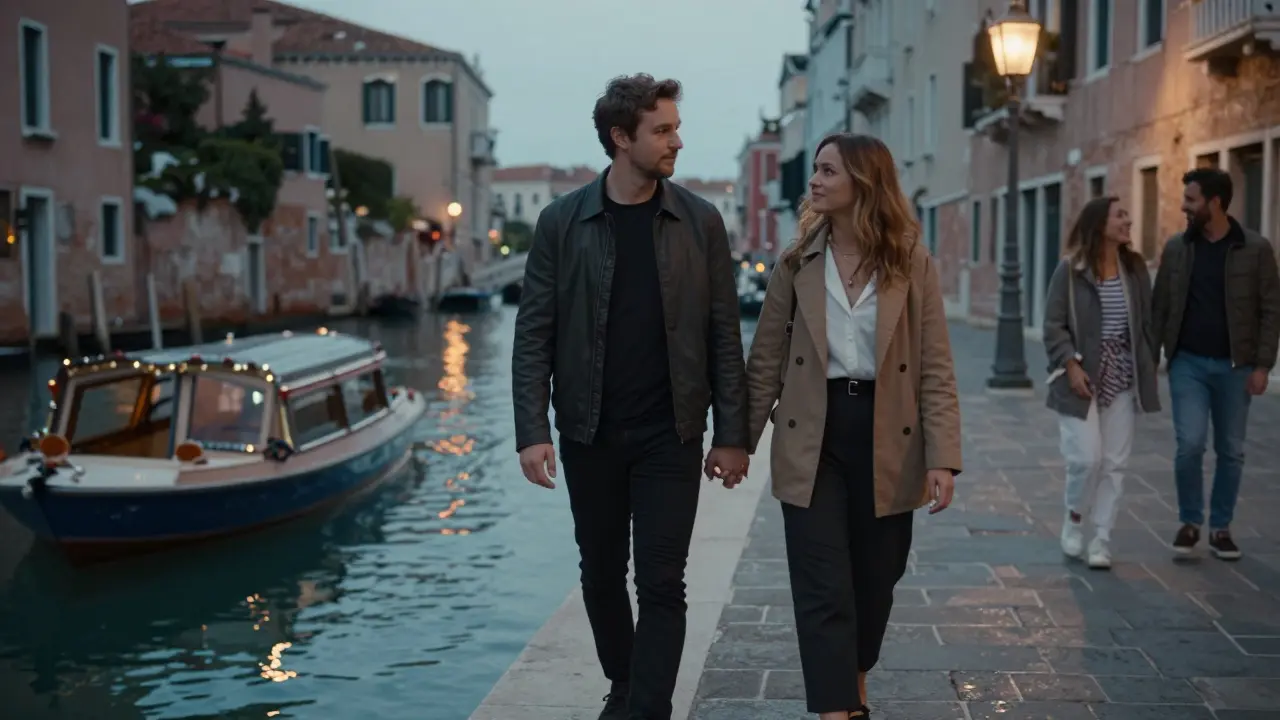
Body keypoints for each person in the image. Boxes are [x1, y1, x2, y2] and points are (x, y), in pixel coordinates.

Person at [511, 74, 749, 720]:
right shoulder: (561, 223)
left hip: (671, 433)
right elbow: (534, 333)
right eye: (662, 130)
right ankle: (625, 683)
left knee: (663, 584)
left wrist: (733, 434)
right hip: (589, 433)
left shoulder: (701, 222)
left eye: (675, 126)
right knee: (600, 575)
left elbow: (723, 334)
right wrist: (532, 429)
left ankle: (645, 709)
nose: (678, 140)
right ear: (621, 138)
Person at [743, 133, 962, 719]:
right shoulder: (796, 261)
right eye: (814, 169)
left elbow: (936, 364)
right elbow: (765, 356)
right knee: (822, 585)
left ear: (862, 181)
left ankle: (854, 672)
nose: (813, 181)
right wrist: (738, 441)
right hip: (812, 433)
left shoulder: (911, 260)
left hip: (889, 435)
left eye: (826, 171)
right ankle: (838, 709)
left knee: (874, 581)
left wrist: (943, 456)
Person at [1152, 168, 1280, 560]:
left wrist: (1262, 365)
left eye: (1191, 200)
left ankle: (1221, 527)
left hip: (1236, 366)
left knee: (1232, 449)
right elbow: (1160, 308)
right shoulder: (1177, 248)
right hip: (1187, 363)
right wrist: (1150, 358)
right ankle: (1191, 522)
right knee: (1189, 444)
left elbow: (1271, 311)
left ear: (1215, 203)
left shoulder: (1256, 249)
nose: (1183, 207)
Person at [1042, 196, 1161, 570]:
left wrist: (1149, 361)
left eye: (1127, 214)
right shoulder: (1071, 269)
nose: (1128, 221)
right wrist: (1071, 364)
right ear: (1100, 225)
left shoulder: (1134, 268)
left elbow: (1146, 322)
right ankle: (1075, 519)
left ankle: (1102, 538)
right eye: (1120, 216)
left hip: (1124, 375)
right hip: (1081, 376)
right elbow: (1053, 324)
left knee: (1114, 463)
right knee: (1084, 458)